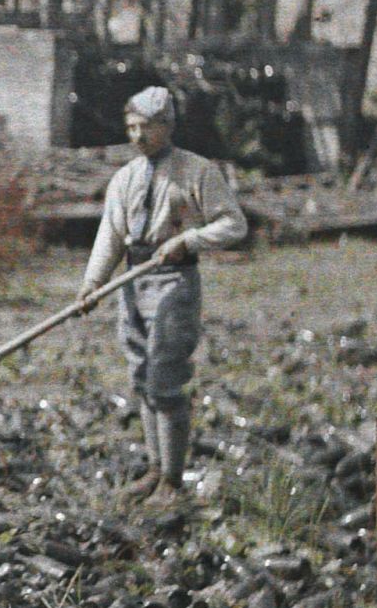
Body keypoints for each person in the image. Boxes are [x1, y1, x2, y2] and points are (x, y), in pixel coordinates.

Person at [76, 86, 248, 504]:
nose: (137, 137)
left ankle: (172, 479)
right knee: (141, 376)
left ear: (167, 127)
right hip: (132, 280)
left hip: (173, 280)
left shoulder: (197, 171)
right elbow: (110, 235)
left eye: (146, 128)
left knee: (165, 377)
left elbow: (234, 225)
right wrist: (93, 283)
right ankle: (154, 470)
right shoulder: (125, 177)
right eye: (131, 128)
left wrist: (190, 240)